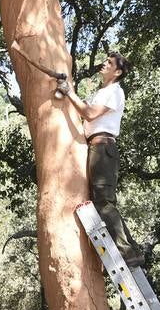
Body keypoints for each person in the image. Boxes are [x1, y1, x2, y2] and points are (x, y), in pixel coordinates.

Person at [57, 54, 144, 271]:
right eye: (106, 60)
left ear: (118, 72)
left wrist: (68, 92)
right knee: (103, 201)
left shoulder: (115, 92)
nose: (105, 63)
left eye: (110, 63)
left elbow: (89, 113)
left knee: (104, 202)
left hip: (104, 147)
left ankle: (127, 252)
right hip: (97, 147)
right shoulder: (102, 92)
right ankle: (130, 250)